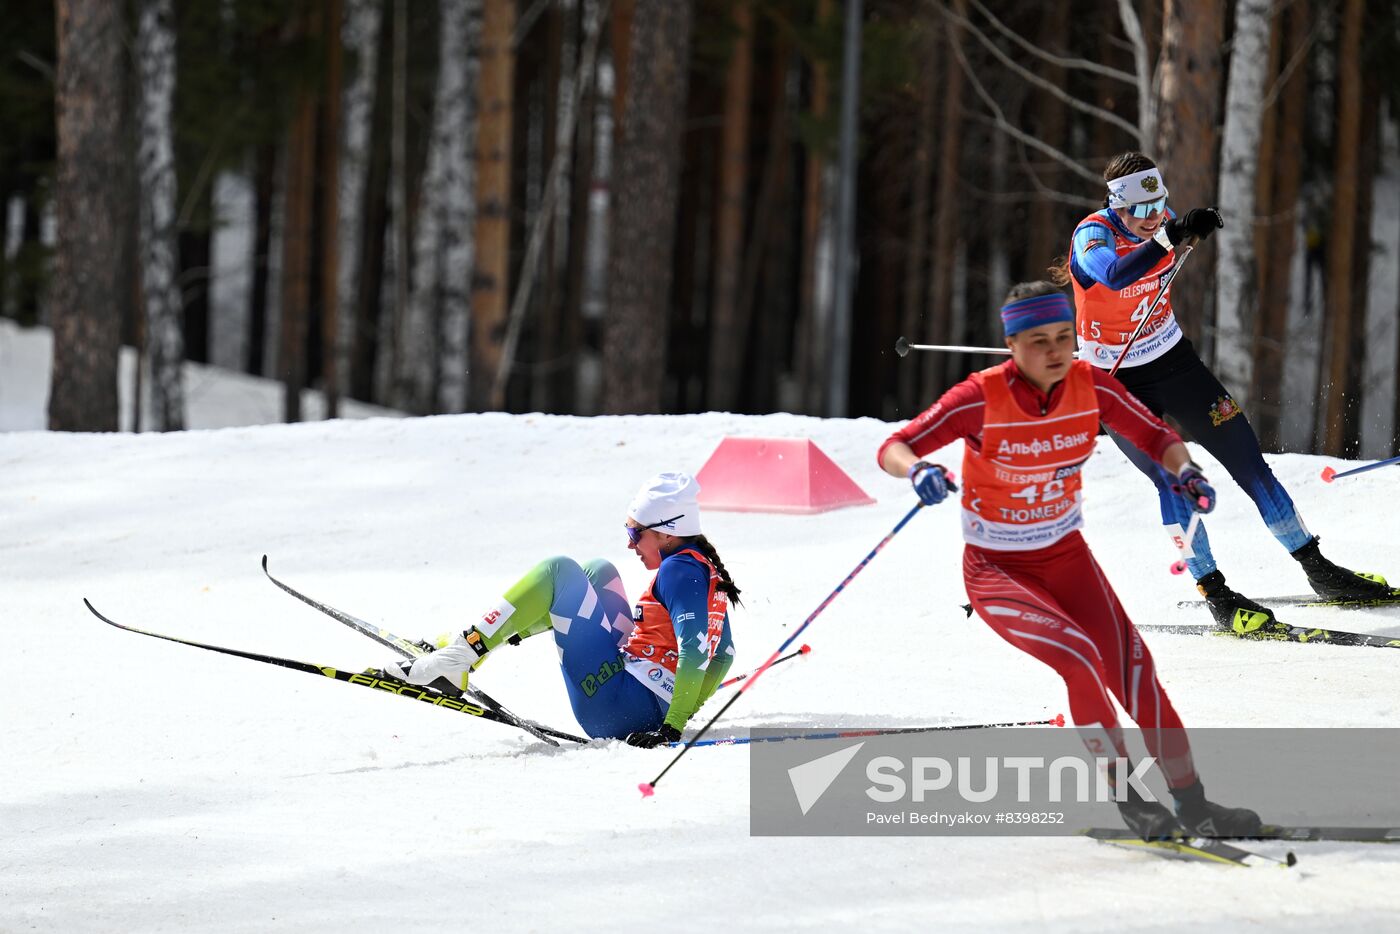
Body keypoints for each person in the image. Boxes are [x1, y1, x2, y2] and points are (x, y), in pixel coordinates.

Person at [879, 281, 1259, 838]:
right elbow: (895, 445)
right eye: (1039, 341)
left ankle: (1194, 803)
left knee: (1138, 676)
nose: (1056, 351)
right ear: (1011, 344)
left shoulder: (1092, 386)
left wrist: (1186, 472)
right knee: (1078, 658)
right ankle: (1132, 801)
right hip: (998, 571)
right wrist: (918, 470)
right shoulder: (979, 396)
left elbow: (1156, 437)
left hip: (1069, 560)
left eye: (1064, 336)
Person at [1055, 151, 1394, 634]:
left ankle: (1318, 568)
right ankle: (1215, 593)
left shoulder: (1163, 221)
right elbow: (1114, 275)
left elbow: (1169, 239)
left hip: (1174, 361)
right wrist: (1171, 238)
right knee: (1173, 479)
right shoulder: (1094, 236)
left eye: (1160, 207)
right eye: (1143, 211)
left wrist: (1192, 229)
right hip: (1117, 381)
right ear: (1118, 206)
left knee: (1248, 459)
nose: (1154, 218)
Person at [381, 471, 738, 747]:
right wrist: (682, 708)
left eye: (635, 534)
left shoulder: (678, 571)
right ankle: (475, 647)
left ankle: (460, 654)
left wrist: (671, 727)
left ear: (666, 534)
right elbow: (723, 655)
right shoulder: (702, 569)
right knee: (599, 571)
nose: (630, 544)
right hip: (638, 699)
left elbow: (696, 651)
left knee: (558, 571)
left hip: (618, 708)